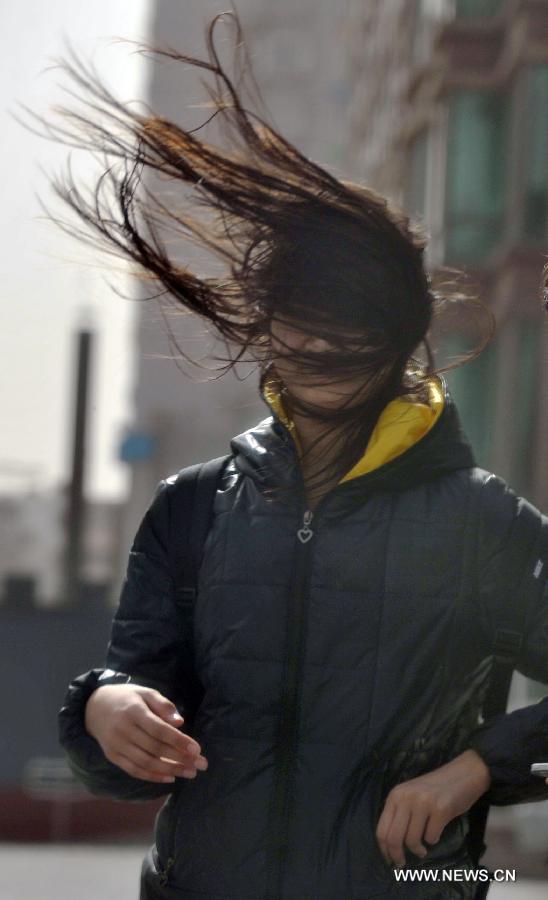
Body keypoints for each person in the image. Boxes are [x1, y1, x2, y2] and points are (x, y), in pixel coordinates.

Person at [30, 9, 548, 899]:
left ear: (395, 345)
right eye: (299, 348)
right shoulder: (192, 507)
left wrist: (474, 770)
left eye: (343, 357)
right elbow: (136, 684)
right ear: (268, 329)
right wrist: (107, 711)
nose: (316, 377)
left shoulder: (483, 523)